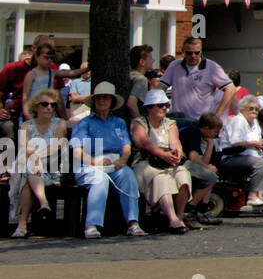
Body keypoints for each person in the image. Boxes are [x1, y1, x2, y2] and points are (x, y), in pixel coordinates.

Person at [70, 82, 147, 238]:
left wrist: (123, 160)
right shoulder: (85, 123)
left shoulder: (118, 122)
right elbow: (77, 151)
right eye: (98, 98)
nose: (101, 101)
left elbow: (126, 146)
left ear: (112, 101)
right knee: (100, 179)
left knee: (128, 176)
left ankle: (133, 223)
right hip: (89, 165)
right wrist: (94, 162)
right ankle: (91, 225)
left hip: (114, 163)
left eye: (105, 98)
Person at [130, 89, 193, 234]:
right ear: (149, 107)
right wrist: (161, 154)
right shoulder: (139, 123)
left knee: (183, 174)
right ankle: (172, 218)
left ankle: (179, 216)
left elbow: (175, 141)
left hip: (167, 161)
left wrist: (176, 153)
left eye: (166, 104)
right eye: (160, 105)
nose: (165, 108)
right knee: (161, 178)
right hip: (145, 161)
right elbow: (143, 142)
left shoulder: (170, 123)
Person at [8, 89, 66, 238]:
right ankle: (44, 203)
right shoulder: (26, 126)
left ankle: (22, 224)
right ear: (36, 107)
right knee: (29, 172)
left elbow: (57, 146)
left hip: (51, 167)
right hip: (31, 166)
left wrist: (36, 157)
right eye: (45, 104)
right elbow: (24, 147)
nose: (49, 108)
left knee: (28, 172)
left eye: (53, 105)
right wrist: (35, 159)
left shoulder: (60, 124)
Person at [159, 37, 236, 128]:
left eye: (197, 52)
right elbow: (160, 88)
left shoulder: (211, 67)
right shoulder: (175, 66)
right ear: (183, 51)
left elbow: (230, 89)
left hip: (200, 123)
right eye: (189, 53)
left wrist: (216, 116)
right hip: (179, 121)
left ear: (201, 51)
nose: (193, 56)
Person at [218, 95, 263, 206]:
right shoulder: (238, 121)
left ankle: (260, 195)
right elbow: (236, 143)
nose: (254, 111)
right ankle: (252, 196)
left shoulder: (254, 123)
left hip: (248, 155)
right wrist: (255, 144)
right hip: (231, 157)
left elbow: (256, 141)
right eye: (251, 109)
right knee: (260, 164)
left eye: (256, 109)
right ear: (242, 110)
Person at [178, 113, 223, 225]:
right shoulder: (194, 132)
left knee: (211, 174)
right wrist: (207, 168)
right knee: (211, 176)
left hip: (188, 163)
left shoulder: (203, 137)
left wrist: (210, 144)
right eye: (215, 131)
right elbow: (193, 157)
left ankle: (203, 208)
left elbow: (204, 162)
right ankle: (190, 209)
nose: (215, 134)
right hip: (180, 163)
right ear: (206, 129)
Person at [22, 41, 65, 121]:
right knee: (24, 132)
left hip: (46, 111)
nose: (49, 60)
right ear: (37, 57)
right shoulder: (31, 74)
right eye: (46, 57)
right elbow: (25, 96)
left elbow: (69, 73)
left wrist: (86, 68)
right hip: (32, 111)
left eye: (51, 58)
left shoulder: (52, 72)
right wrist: (26, 114)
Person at [124, 44, 154, 121]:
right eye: (150, 58)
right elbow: (131, 103)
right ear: (142, 62)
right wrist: (141, 123)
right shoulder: (141, 79)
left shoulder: (128, 75)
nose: (153, 60)